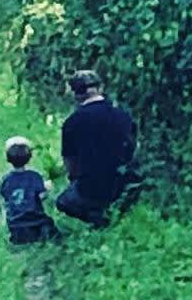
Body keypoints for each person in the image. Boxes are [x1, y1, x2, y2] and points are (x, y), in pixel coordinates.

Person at [56, 70, 138, 228]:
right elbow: (132, 148)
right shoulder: (123, 116)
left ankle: (96, 217)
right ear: (101, 88)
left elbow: (69, 160)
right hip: (120, 181)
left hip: (89, 185)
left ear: (75, 93)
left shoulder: (72, 122)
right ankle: (114, 214)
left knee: (63, 202)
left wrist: (74, 179)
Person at [0, 136, 59, 244]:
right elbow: (42, 196)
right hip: (36, 221)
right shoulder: (35, 176)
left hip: (16, 225)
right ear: (29, 157)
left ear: (8, 159)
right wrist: (47, 188)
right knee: (51, 229)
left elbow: (5, 197)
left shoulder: (6, 180)